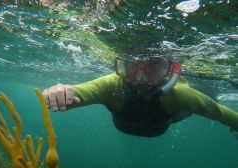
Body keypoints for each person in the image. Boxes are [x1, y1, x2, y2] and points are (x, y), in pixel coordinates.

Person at [42, 54, 238, 138]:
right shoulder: (113, 84)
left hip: (170, 117)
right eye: (132, 64)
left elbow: (221, 113)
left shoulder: (178, 93)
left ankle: (211, 91)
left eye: (153, 65)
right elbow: (79, 92)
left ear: (168, 70)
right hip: (156, 126)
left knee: (200, 103)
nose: (141, 76)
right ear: (121, 66)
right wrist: (59, 92)